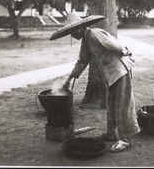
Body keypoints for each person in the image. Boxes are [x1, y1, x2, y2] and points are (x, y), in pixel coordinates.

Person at [49, 13, 140, 153]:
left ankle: (125, 140)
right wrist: (68, 81)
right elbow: (82, 62)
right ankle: (110, 134)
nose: (72, 35)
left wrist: (125, 51)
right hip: (110, 74)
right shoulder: (86, 41)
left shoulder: (94, 34)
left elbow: (114, 44)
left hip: (120, 70)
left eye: (72, 31)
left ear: (80, 28)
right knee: (110, 104)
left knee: (122, 104)